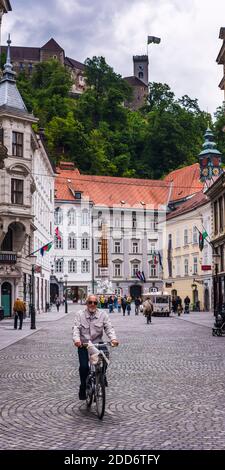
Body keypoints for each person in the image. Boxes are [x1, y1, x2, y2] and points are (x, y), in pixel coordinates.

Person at [73, 294, 119, 400]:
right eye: (90, 302)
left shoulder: (103, 314)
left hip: (98, 343)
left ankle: (101, 376)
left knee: (106, 358)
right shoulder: (80, 315)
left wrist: (113, 339)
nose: (92, 304)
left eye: (95, 303)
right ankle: (83, 386)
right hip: (84, 344)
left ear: (97, 304)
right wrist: (77, 340)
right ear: (86, 303)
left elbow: (109, 327)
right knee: (84, 367)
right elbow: (76, 328)